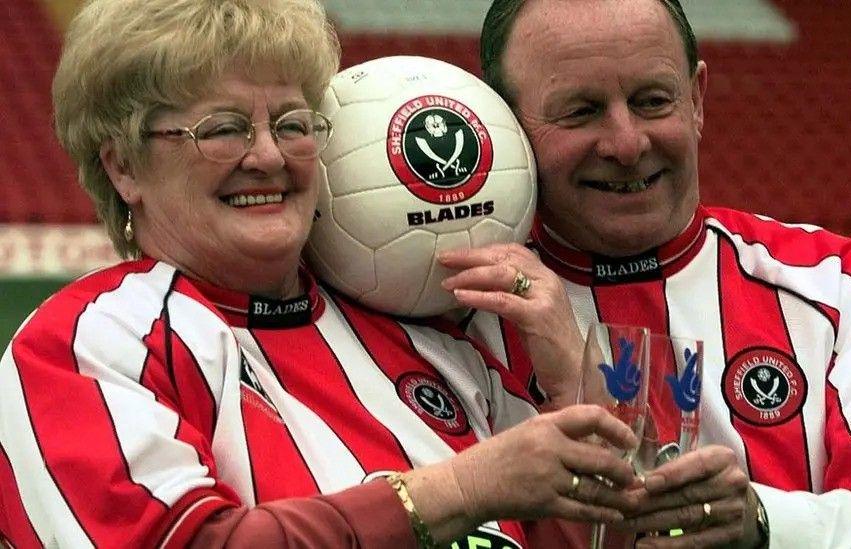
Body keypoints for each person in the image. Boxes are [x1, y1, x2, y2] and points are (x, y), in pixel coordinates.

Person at [0, 1, 646, 547]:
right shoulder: (88, 343)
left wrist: (572, 386)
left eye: (291, 123)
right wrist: (457, 488)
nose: (267, 155)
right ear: (124, 168)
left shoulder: (429, 342)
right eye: (222, 129)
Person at [438, 0, 851, 546]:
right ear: (502, 121)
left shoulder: (836, 285)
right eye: (581, 111)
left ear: (695, 100)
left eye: (652, 102)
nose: (626, 144)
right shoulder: (451, 310)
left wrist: (764, 523)